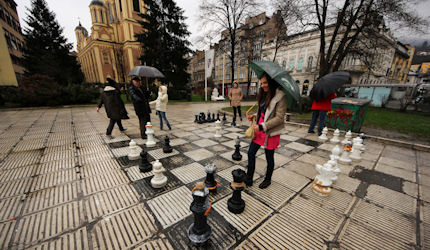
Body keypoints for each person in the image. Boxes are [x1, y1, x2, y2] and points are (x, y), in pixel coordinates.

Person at [245, 73, 287, 189]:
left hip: (270, 132)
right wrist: (254, 116)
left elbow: (279, 118)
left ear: (272, 82)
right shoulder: (264, 94)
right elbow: (263, 112)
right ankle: (249, 179)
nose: (262, 85)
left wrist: (262, 126)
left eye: (265, 82)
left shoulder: (281, 96)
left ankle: (267, 179)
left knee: (269, 157)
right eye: (261, 83)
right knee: (250, 153)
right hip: (259, 129)